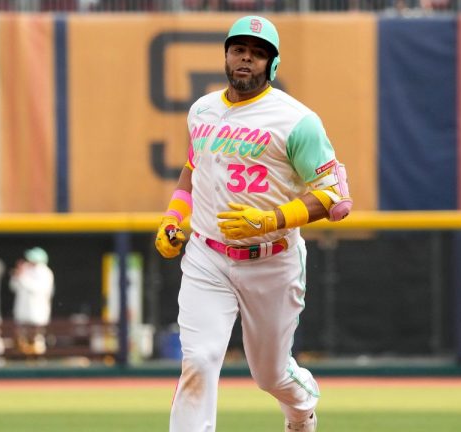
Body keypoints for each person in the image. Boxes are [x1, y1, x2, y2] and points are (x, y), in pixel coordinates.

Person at [154, 15, 352, 432]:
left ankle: (302, 411)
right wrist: (174, 217)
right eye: (239, 49)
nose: (247, 58)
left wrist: (271, 219)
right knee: (199, 360)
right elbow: (192, 171)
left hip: (273, 260)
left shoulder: (297, 121)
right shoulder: (202, 109)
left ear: (272, 64)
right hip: (207, 257)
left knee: (270, 374)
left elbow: (333, 196)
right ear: (226, 54)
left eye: (258, 53)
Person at [9, 247, 54, 358]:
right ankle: (24, 360)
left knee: (37, 339)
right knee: (22, 340)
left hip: (37, 314)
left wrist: (22, 277)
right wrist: (17, 275)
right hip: (22, 312)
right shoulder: (25, 270)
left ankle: (39, 361)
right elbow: (13, 287)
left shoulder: (46, 273)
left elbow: (36, 289)